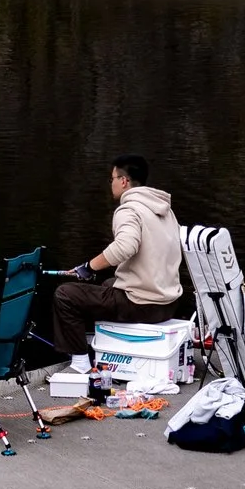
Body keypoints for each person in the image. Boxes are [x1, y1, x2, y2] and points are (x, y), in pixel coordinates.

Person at [51, 154, 185, 363]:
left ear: (123, 181)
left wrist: (88, 267)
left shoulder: (129, 209)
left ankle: (79, 363)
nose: (111, 183)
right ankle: (110, 344)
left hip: (142, 306)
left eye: (112, 178)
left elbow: (125, 247)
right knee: (108, 284)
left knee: (65, 295)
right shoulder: (166, 211)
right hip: (169, 303)